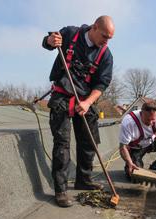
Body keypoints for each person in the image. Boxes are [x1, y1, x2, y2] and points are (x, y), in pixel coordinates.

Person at [42, 16, 115, 207]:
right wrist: (50, 41)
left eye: (110, 39)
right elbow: (49, 42)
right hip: (62, 97)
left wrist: (88, 102)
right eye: (105, 36)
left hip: (85, 100)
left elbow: (102, 83)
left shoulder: (105, 54)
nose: (106, 41)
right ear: (95, 27)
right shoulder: (70, 33)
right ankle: (61, 190)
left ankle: (84, 179)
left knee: (89, 142)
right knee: (62, 145)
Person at [119, 100, 156, 182]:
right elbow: (123, 148)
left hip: (152, 142)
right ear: (141, 113)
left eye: (153, 120)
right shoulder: (129, 122)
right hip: (137, 147)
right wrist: (129, 162)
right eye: (148, 120)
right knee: (135, 177)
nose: (151, 123)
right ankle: (133, 165)